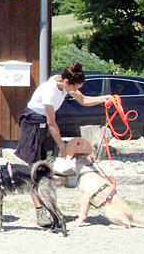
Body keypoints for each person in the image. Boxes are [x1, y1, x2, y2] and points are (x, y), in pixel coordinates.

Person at [15, 61, 109, 227]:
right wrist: (62, 146)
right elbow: (52, 123)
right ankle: (40, 210)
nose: (74, 91)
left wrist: (104, 99)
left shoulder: (65, 84)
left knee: (48, 168)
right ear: (66, 82)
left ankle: (50, 206)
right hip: (34, 124)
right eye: (74, 88)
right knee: (35, 169)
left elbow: (84, 100)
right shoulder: (49, 91)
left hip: (47, 125)